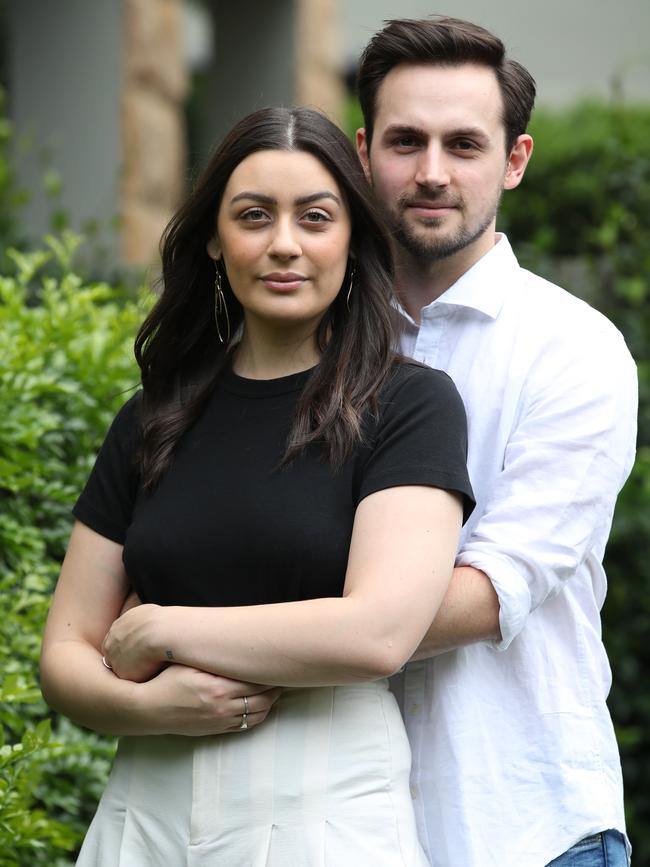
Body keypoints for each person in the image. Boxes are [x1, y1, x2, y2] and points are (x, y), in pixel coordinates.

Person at [40, 106, 475, 866]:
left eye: (314, 217)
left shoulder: (409, 405)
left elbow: (378, 633)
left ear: (351, 238)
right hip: (144, 808)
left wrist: (166, 630)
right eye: (253, 216)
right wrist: (146, 706)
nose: (284, 244)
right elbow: (65, 654)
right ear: (214, 238)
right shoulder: (152, 418)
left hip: (326, 812)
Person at [355, 16, 637, 867]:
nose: (432, 172)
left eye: (464, 144)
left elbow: (488, 592)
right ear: (365, 152)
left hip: (526, 824)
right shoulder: (315, 344)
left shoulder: (574, 348)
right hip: (339, 826)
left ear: (514, 160)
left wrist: (236, 630)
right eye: (406, 141)